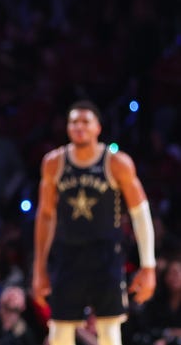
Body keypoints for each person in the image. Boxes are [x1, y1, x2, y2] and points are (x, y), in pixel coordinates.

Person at [32, 100, 157, 345]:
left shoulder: (117, 163)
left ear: (98, 127)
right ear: (67, 127)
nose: (79, 126)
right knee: (59, 327)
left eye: (85, 121)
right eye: (74, 121)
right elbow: (46, 215)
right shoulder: (54, 163)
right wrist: (39, 269)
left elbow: (141, 214)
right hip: (67, 254)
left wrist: (149, 266)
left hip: (106, 254)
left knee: (110, 328)